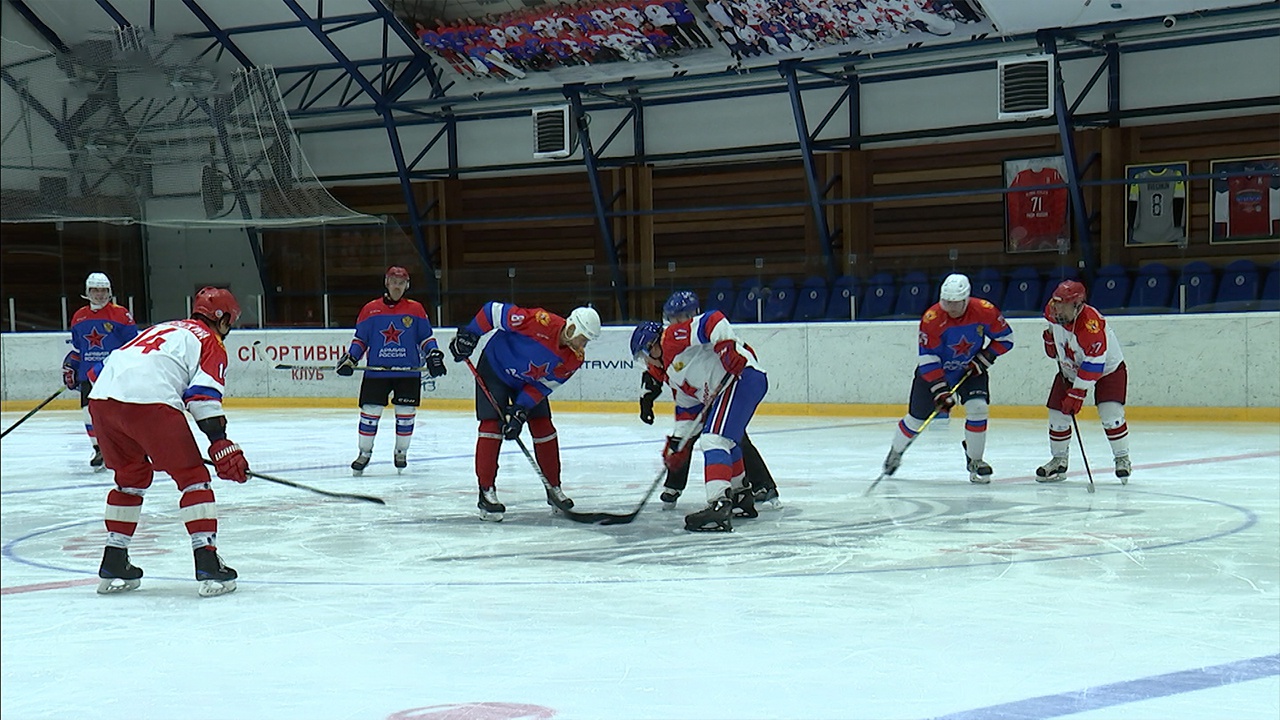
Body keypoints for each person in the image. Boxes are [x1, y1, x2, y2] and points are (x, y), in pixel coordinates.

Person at [87, 286, 247, 598]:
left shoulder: (161, 327)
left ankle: (114, 559)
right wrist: (220, 443)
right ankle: (207, 562)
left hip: (102, 401)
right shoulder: (209, 342)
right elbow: (202, 397)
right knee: (193, 479)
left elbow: (96, 372)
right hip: (150, 403)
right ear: (223, 318)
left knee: (130, 478)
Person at [449, 302, 601, 521]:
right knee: (492, 427)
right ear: (572, 328)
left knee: (544, 427)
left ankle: (554, 488)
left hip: (528, 382)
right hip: (495, 369)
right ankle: (486, 493)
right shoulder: (540, 321)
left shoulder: (574, 359)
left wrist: (520, 410)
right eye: (583, 337)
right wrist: (471, 335)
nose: (583, 344)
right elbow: (493, 311)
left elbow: (543, 386)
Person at [632, 303, 781, 517]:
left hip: (741, 377)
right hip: (735, 385)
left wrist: (726, 349)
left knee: (713, 439)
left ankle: (718, 505)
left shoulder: (670, 337)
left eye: (643, 355)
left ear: (652, 345)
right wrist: (679, 446)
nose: (645, 362)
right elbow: (687, 411)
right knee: (729, 441)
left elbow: (714, 320)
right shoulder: (672, 375)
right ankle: (740, 495)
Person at [881, 273, 1014, 483]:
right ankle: (895, 452)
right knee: (916, 419)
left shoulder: (985, 311)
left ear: (966, 299)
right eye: (947, 302)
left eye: (956, 303)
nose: (951, 308)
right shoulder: (932, 318)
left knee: (978, 408)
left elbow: (1006, 338)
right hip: (936, 373)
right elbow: (928, 358)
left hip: (971, 369)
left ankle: (975, 460)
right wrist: (940, 390)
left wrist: (986, 357)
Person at [336, 266, 447, 476]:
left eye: (401, 282)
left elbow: (425, 338)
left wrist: (433, 354)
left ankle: (400, 451)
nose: (397, 286)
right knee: (370, 412)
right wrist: (351, 357)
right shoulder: (370, 309)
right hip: (377, 373)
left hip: (408, 373)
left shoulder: (415, 309)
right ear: (386, 282)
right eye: (394, 281)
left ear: (407, 285)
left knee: (405, 414)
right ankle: (364, 453)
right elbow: (361, 340)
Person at [1038, 280, 1132, 483]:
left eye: (1064, 304)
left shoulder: (1091, 326)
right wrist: (1049, 338)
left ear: (1078, 305)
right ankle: (1059, 460)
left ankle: (1122, 457)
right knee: (1057, 415)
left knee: (1110, 413)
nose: (1058, 308)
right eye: (1057, 303)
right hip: (1070, 369)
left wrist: (1077, 393)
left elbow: (1094, 364)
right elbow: (1052, 328)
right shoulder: (1052, 310)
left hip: (1108, 369)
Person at [61, 272, 138, 469]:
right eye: (95, 290)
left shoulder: (121, 314)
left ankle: (127, 448)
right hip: (88, 373)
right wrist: (73, 364)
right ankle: (99, 449)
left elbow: (133, 344)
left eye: (103, 290)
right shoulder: (79, 317)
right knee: (88, 412)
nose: (99, 294)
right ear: (88, 292)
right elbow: (79, 348)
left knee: (118, 412)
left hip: (114, 372)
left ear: (109, 292)